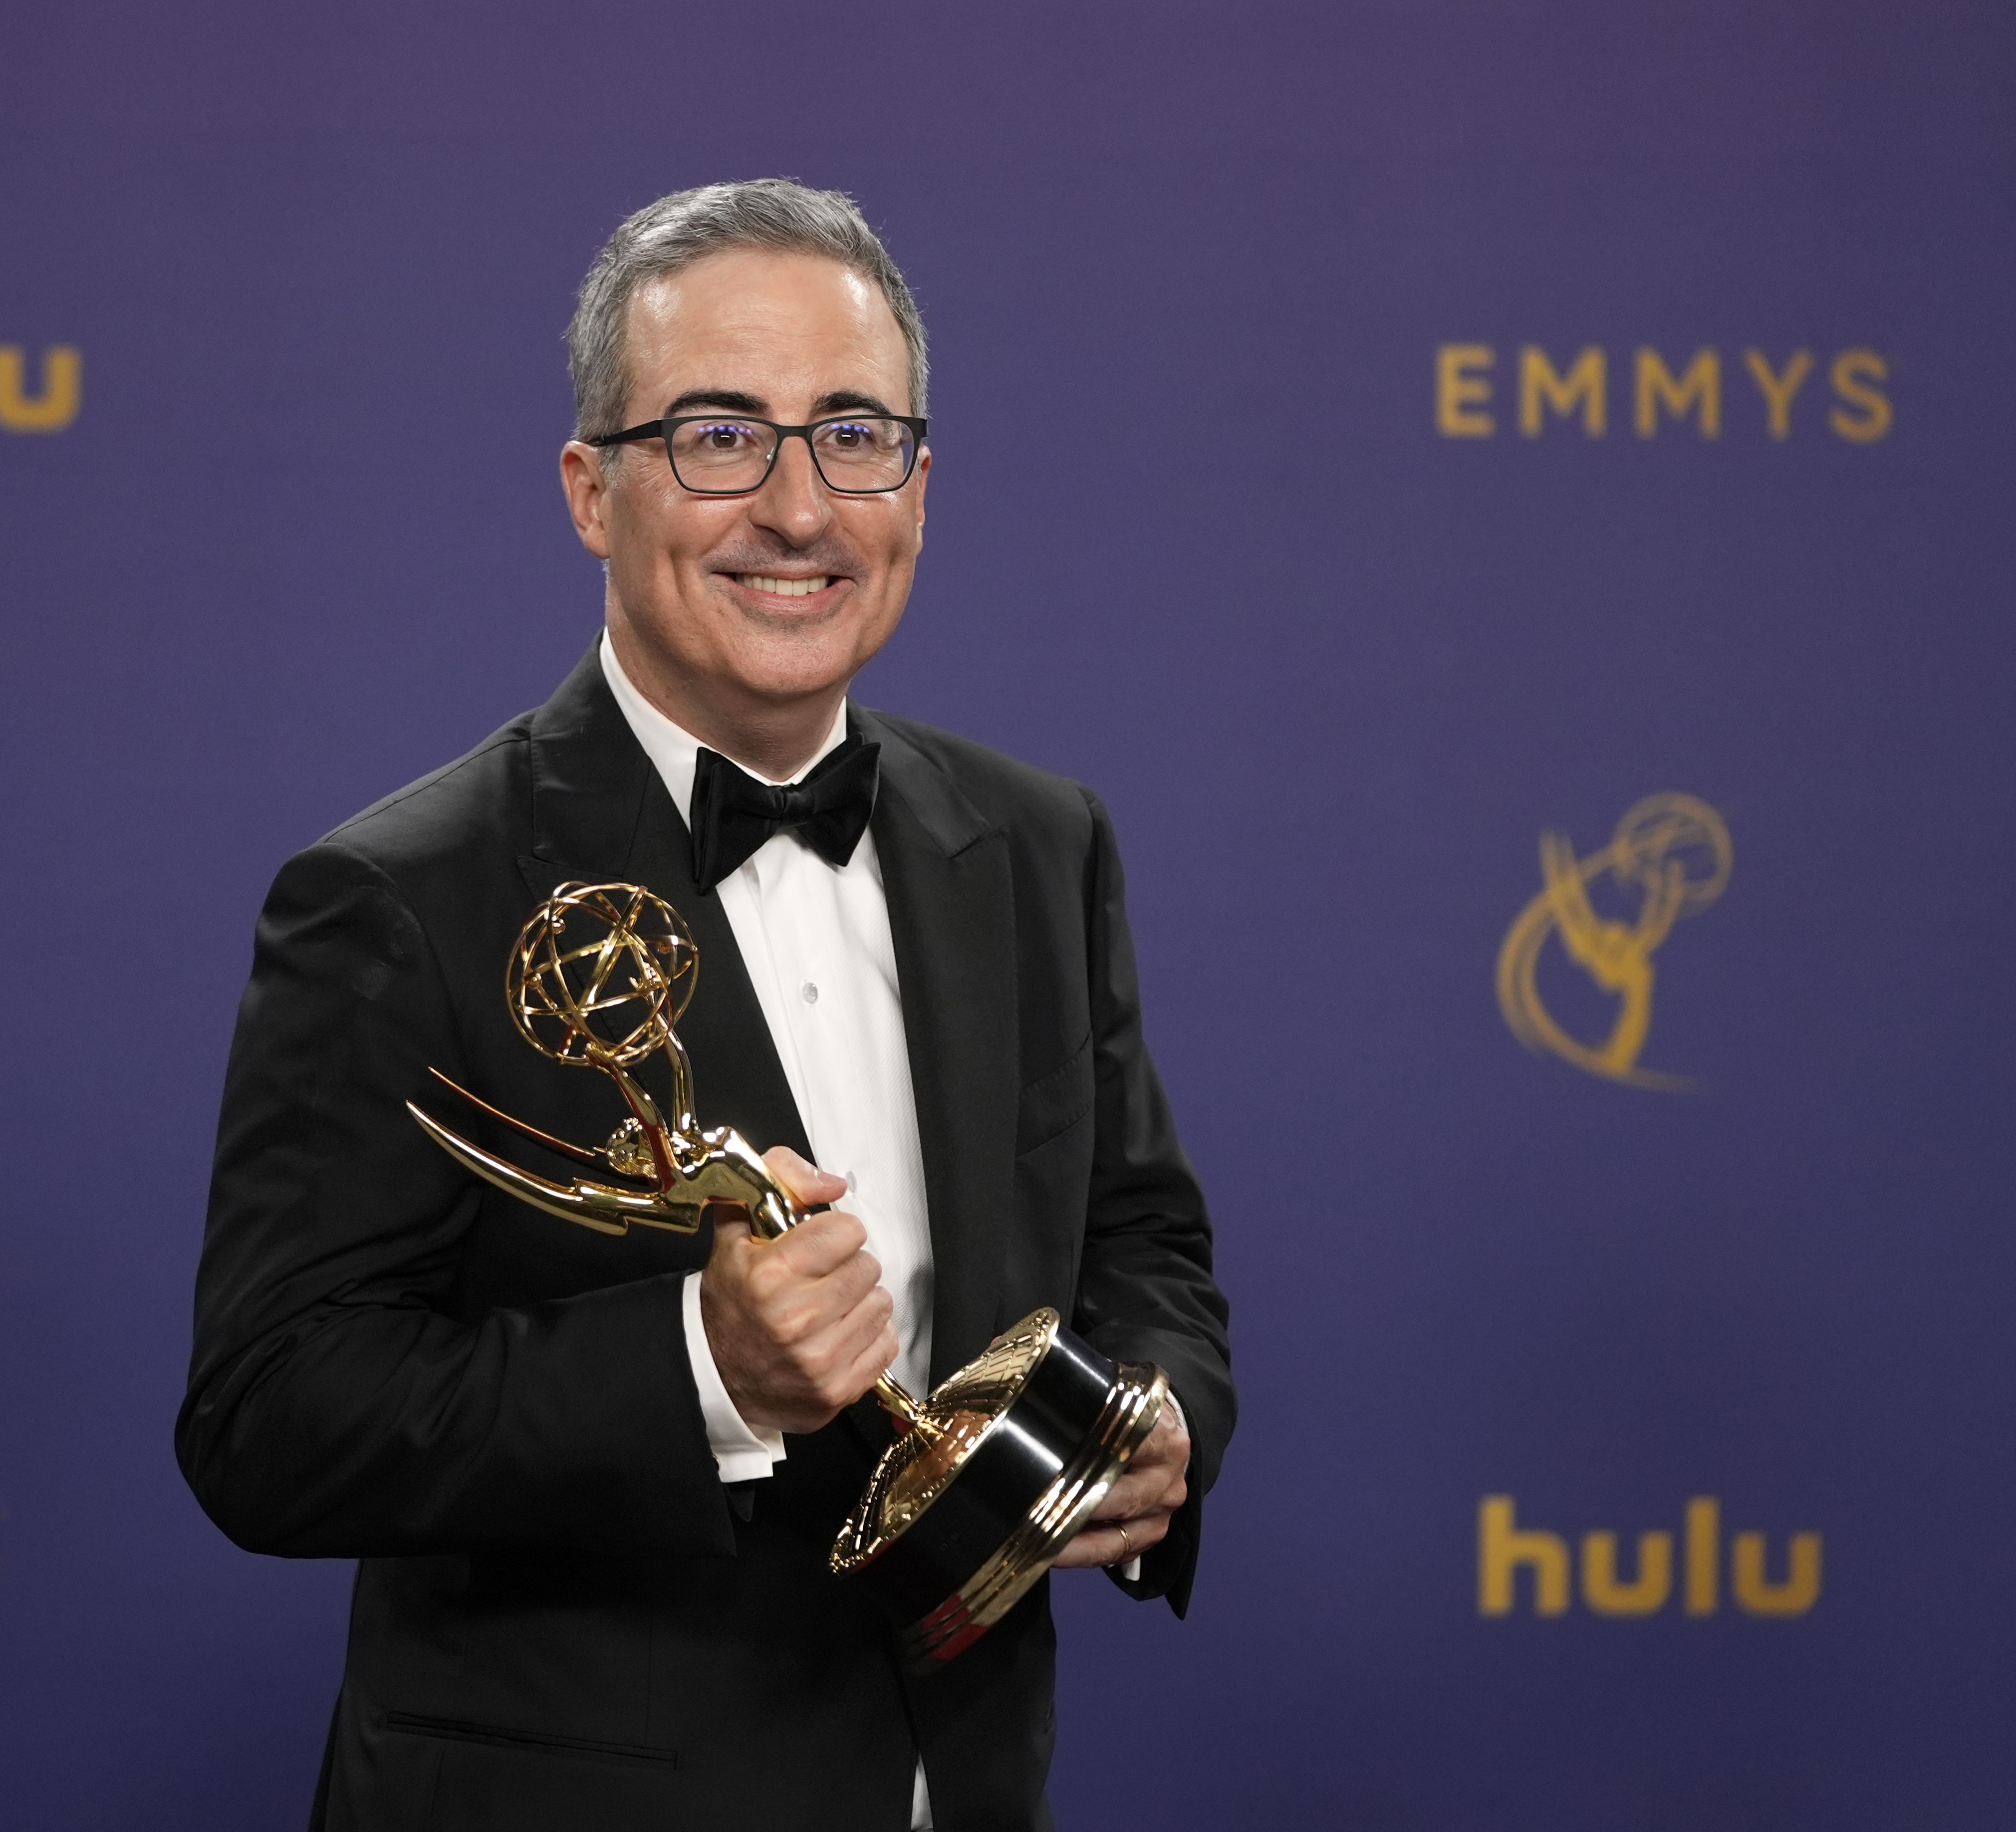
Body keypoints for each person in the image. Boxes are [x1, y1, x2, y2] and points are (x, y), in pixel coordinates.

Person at [178, 179, 1234, 1832]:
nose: (800, 509)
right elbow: (269, 1422)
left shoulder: (1036, 841)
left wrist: (1153, 1418)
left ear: (921, 486)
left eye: (851, 435)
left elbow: (1143, 1246)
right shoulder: (396, 895)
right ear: (592, 491)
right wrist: (700, 1367)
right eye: (720, 436)